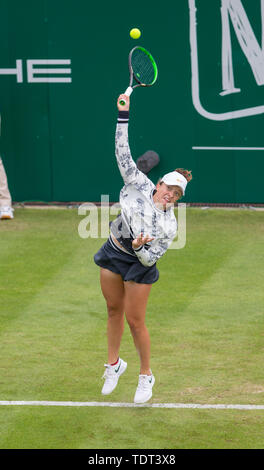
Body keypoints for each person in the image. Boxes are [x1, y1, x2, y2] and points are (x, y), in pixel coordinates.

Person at [94, 93, 192, 404]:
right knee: (112, 310)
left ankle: (145, 375)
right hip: (113, 250)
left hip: (138, 265)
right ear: (159, 183)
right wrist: (123, 115)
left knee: (135, 321)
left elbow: (151, 257)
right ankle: (113, 365)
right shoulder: (137, 182)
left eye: (176, 195)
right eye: (169, 189)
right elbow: (122, 151)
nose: (170, 196)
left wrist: (139, 247)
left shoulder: (169, 226)